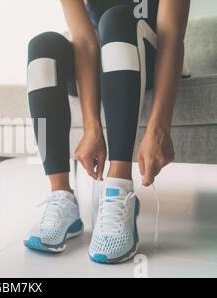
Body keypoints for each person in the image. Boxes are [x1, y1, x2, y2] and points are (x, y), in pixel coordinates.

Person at [24, 0, 190, 264]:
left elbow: (171, 37)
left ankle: (118, 188)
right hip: (99, 62)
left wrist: (160, 126)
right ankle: (61, 195)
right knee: (42, 47)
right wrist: (91, 127)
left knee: (115, 19)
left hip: (146, 53)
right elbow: (85, 42)